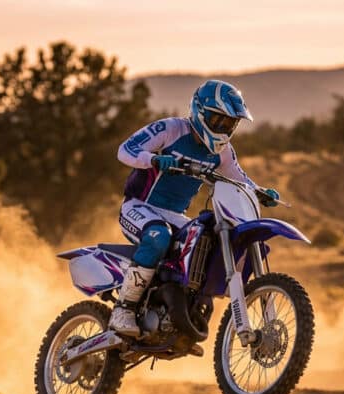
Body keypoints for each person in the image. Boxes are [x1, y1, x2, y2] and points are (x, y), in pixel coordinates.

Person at [109, 79, 280, 337]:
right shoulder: (171, 129)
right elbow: (126, 150)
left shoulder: (223, 152)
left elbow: (239, 178)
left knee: (204, 239)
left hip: (175, 216)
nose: (224, 128)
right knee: (159, 237)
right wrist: (153, 159)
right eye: (218, 120)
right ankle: (124, 308)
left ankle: (180, 306)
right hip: (140, 206)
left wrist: (260, 191)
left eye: (229, 123)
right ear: (200, 111)